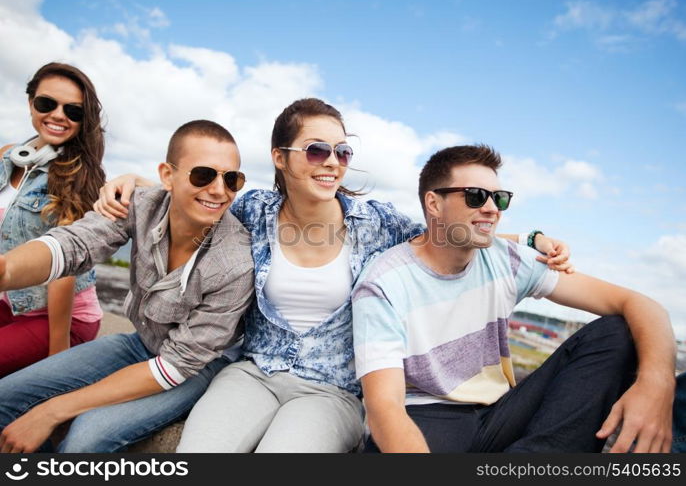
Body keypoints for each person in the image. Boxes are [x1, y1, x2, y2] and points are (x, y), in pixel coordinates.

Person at [95, 98, 572, 453]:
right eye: (317, 150)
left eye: (342, 152)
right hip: (254, 374)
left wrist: (529, 239)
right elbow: (195, 194)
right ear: (280, 157)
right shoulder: (254, 208)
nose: (332, 162)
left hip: (334, 391)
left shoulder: (377, 224)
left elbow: (447, 232)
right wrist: (135, 180)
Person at [352, 144, 676, 453]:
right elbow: (385, 407)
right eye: (476, 196)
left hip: (501, 412)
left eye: (500, 198)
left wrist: (658, 385)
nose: (492, 209)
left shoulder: (507, 259)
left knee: (617, 333)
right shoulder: (384, 281)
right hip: (427, 417)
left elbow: (640, 304)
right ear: (434, 203)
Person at [0, 120, 254, 453]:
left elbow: (177, 365)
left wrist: (52, 410)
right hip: (141, 342)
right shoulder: (142, 205)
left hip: (196, 368)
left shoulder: (235, 262)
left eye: (232, 179)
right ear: (167, 175)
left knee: (85, 440)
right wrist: (6, 270)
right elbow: (75, 245)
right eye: (203, 175)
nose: (220, 191)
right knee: (6, 396)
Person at [0, 63, 106, 376]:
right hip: (11, 304)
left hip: (62, 320)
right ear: (30, 102)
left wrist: (55, 358)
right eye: (47, 104)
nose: (59, 115)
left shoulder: (79, 179)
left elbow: (64, 268)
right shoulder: (7, 158)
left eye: (73, 111)